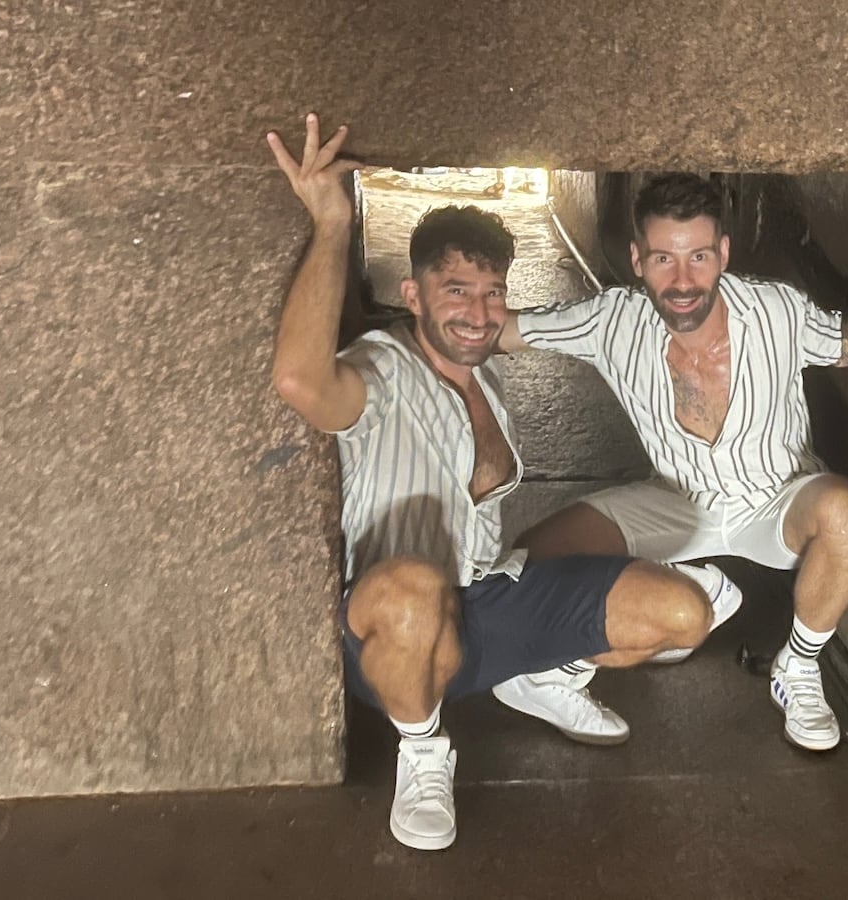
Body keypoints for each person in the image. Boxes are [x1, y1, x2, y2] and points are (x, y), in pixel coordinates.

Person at [265, 117, 730, 851]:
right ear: (412, 295)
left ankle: (541, 676)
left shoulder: (491, 382)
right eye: (456, 291)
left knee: (683, 613)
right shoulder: (383, 370)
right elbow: (298, 379)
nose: (479, 314)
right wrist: (331, 222)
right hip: (403, 630)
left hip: (489, 602)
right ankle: (421, 748)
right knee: (416, 583)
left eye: (491, 292)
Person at [496, 172, 848, 752]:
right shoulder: (612, 320)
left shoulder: (775, 309)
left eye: (699, 256)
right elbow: (501, 331)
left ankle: (797, 668)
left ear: (723, 252)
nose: (682, 281)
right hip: (676, 500)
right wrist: (427, 319)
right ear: (637, 259)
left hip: (775, 498)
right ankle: (637, 623)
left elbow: (839, 343)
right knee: (526, 564)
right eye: (662, 260)